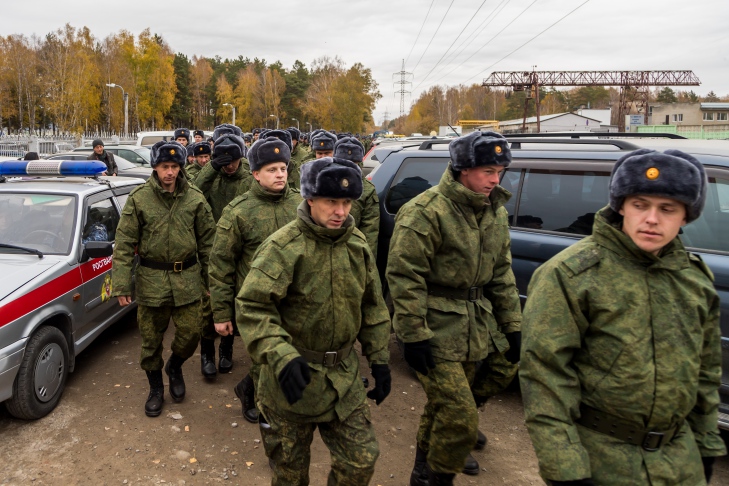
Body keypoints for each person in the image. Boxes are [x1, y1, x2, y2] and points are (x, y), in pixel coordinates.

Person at [519, 148, 727, 486]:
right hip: (603, 460)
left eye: (667, 209)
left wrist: (705, 446)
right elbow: (545, 376)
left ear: (686, 216)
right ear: (622, 207)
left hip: (680, 460)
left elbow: (705, 372)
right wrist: (565, 468)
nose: (651, 219)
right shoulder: (572, 274)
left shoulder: (694, 279)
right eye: (640, 205)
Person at [236, 157, 391, 485]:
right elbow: (253, 307)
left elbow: (373, 306)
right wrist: (281, 355)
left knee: (361, 462)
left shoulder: (358, 245)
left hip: (344, 382)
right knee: (290, 476)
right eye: (331, 201)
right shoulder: (283, 248)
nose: (341, 212)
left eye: (347, 202)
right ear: (310, 199)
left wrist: (379, 360)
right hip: (291, 386)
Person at [386, 131, 522, 486]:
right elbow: (404, 277)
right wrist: (413, 335)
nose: (496, 179)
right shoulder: (424, 212)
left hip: (476, 324)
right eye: (488, 171)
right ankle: (436, 476)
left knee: (453, 403)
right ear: (463, 169)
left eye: (500, 171)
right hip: (435, 327)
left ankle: (425, 463)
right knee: (460, 415)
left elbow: (502, 273)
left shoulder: (494, 211)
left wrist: (513, 325)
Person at [111, 140, 216, 417]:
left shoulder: (194, 198)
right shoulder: (139, 199)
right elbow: (123, 243)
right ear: (155, 167)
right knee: (150, 340)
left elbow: (208, 244)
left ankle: (175, 366)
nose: (169, 172)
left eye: (174, 166)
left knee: (192, 333)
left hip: (188, 281)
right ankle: (156, 388)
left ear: (181, 167)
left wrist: (210, 283)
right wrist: (122, 283)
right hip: (152, 281)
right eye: (164, 167)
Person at [208, 137, 301, 423]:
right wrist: (222, 312)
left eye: (283, 168)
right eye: (272, 169)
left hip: (295, 299)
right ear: (256, 173)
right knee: (265, 356)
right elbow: (221, 263)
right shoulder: (239, 211)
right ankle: (259, 404)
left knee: (289, 353)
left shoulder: (301, 205)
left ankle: (247, 387)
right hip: (257, 303)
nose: (280, 175)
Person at [193, 132, 251, 376]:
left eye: (234, 161)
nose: (229, 166)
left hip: (239, 251)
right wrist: (211, 169)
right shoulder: (211, 178)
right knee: (209, 303)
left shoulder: (248, 180)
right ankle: (207, 353)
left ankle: (226, 351)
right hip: (211, 249)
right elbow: (192, 192)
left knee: (232, 300)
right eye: (224, 161)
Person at [333, 136, 380, 258]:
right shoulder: (324, 183)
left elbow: (370, 231)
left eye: (353, 164)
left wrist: (365, 261)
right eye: (344, 163)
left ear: (359, 163)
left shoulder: (367, 190)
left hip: (353, 251)